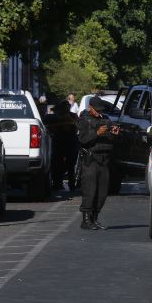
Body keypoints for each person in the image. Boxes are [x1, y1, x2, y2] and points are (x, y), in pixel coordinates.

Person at [77, 96, 121, 230]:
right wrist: (97, 132)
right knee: (89, 190)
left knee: (102, 192)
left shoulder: (106, 119)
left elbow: (111, 140)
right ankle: (85, 220)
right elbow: (82, 140)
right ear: (90, 107)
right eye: (96, 110)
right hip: (91, 159)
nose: (98, 112)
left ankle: (94, 218)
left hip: (104, 159)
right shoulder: (83, 120)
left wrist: (114, 133)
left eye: (100, 110)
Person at [45, 100, 79, 191]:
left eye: (67, 107)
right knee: (57, 164)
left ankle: (71, 184)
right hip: (59, 142)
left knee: (71, 165)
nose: (66, 109)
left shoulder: (73, 115)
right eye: (64, 107)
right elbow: (49, 127)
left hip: (71, 142)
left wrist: (69, 120)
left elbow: (77, 124)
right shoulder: (55, 117)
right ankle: (57, 183)